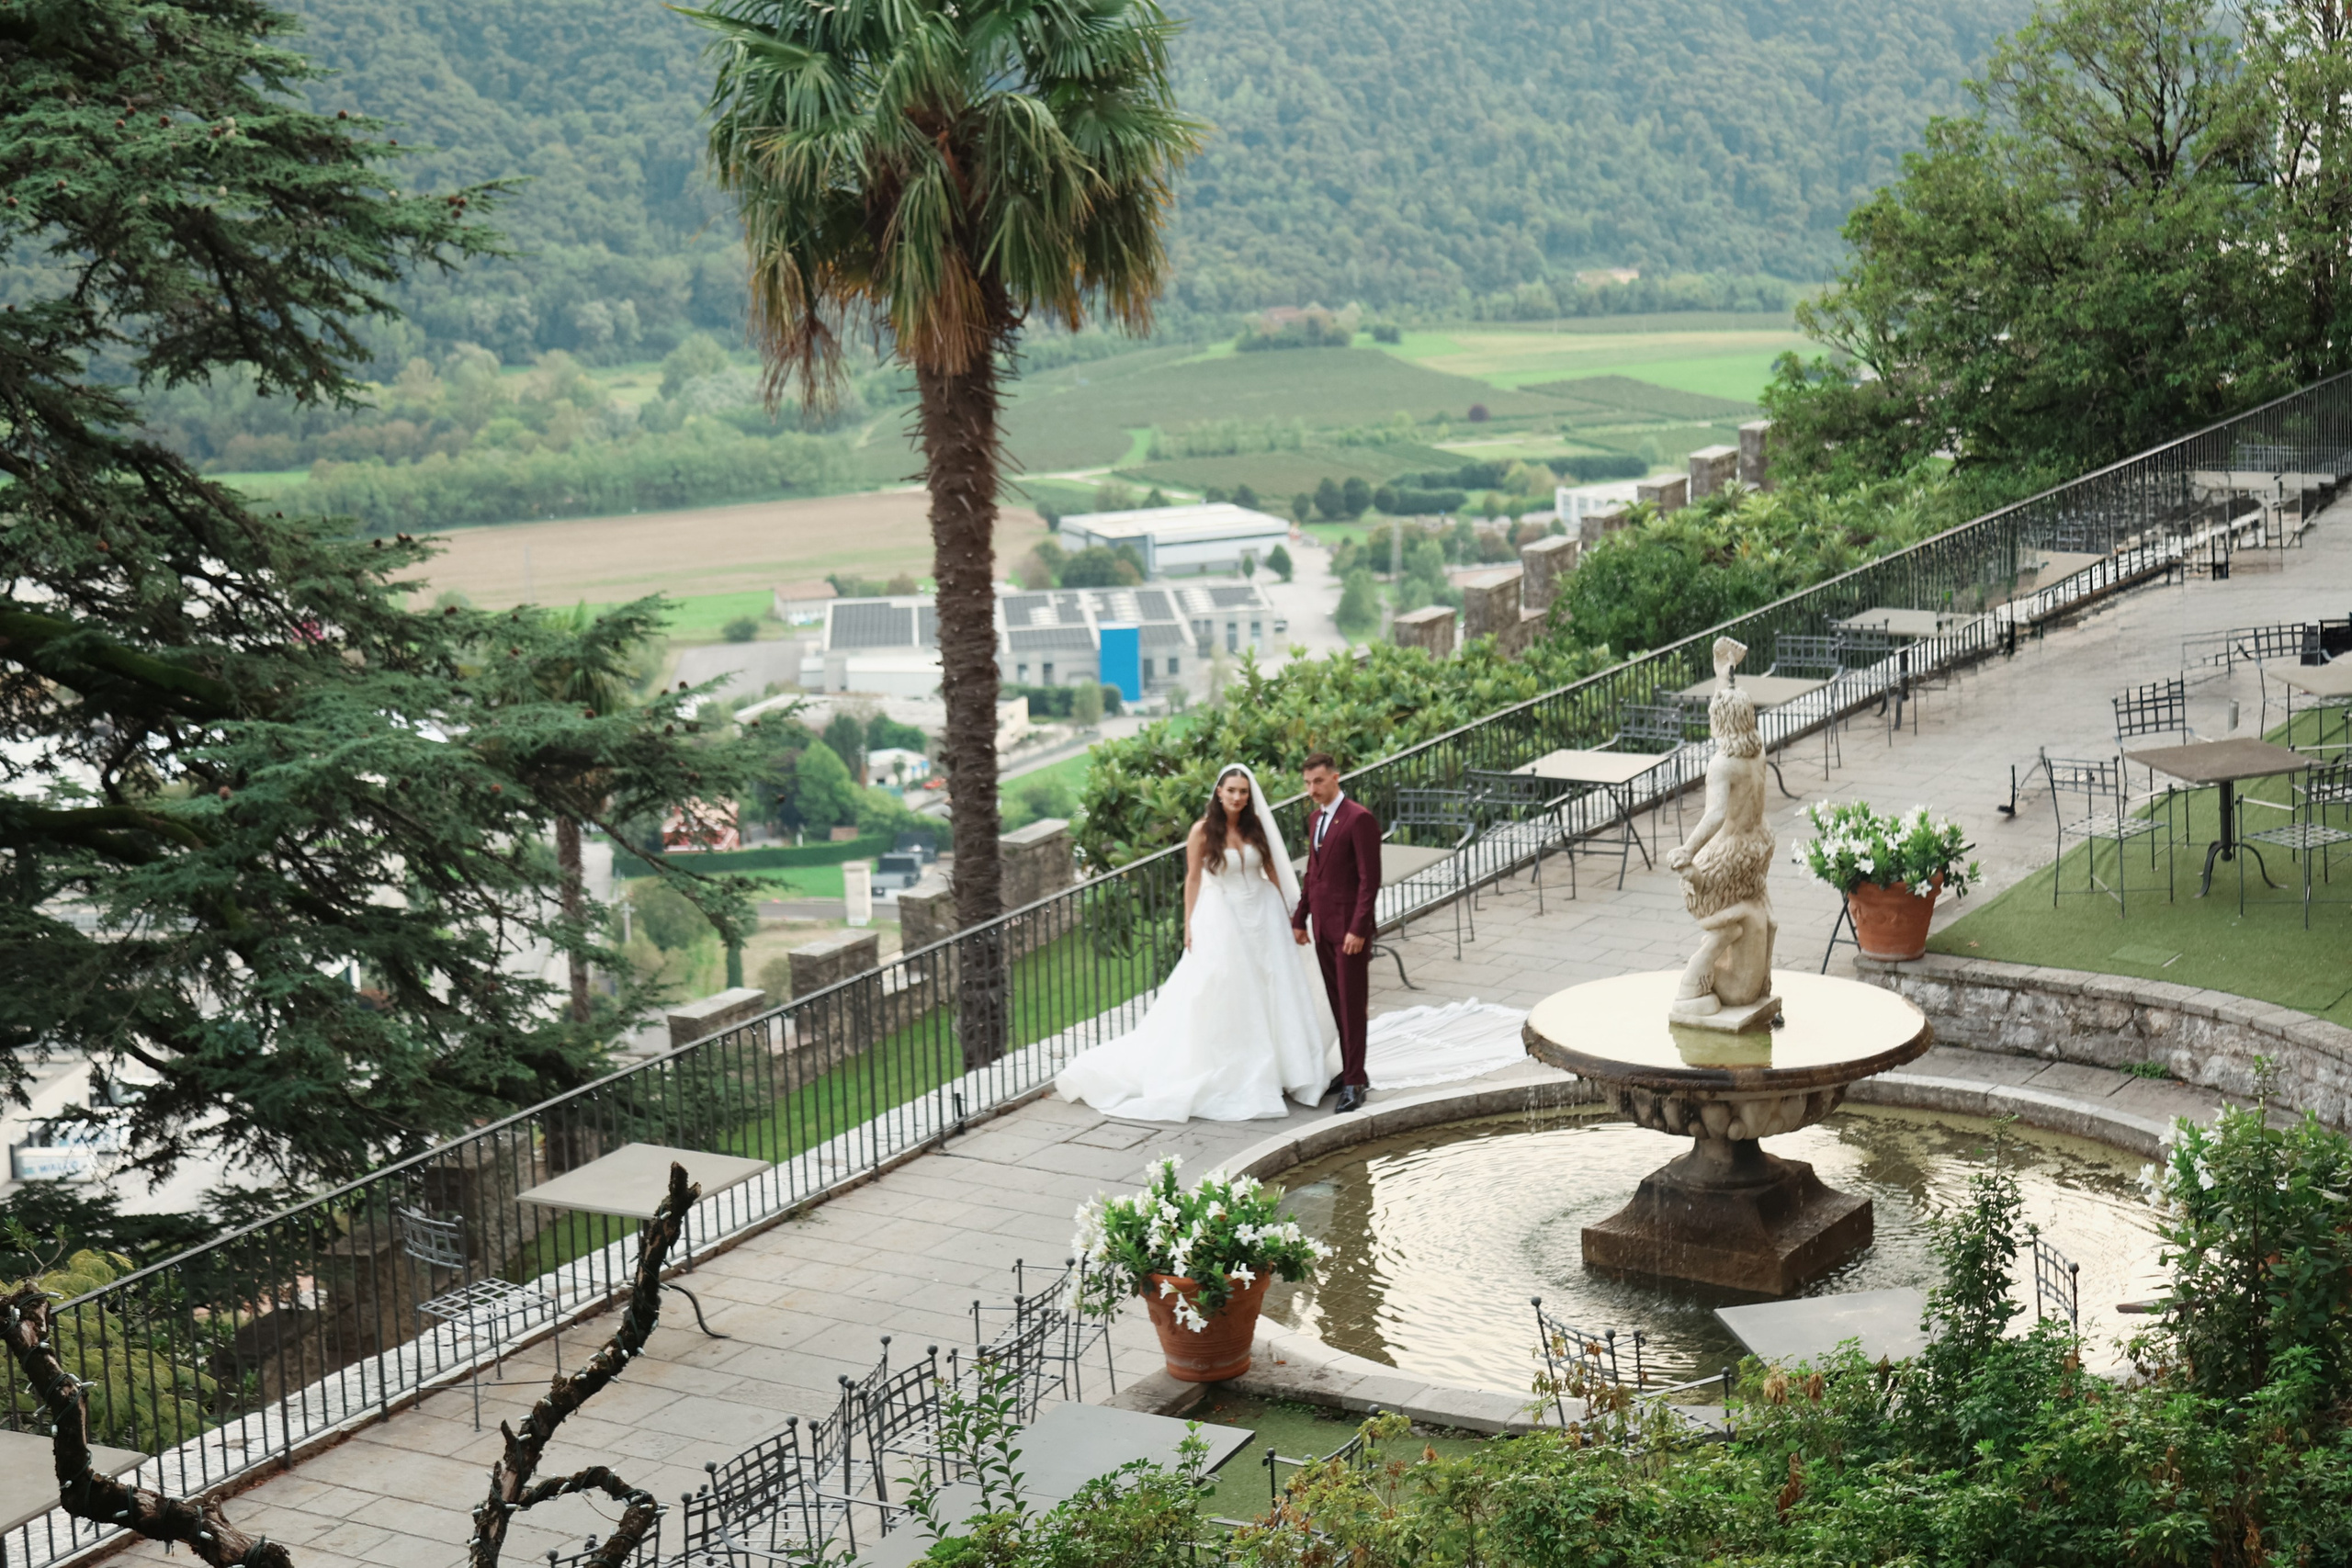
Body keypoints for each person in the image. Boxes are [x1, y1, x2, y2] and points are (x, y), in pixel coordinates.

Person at [1055, 764, 1333, 1121]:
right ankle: (1241, 1071)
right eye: (1231, 790)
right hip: (1224, 916)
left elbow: (1274, 870)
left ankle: (1288, 1068)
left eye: (1243, 792)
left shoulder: (1255, 827)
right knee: (1230, 991)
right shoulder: (1203, 831)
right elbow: (1193, 880)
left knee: (1276, 989)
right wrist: (1188, 925)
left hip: (1264, 915)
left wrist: (1291, 913)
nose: (1237, 797)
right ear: (1219, 792)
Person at [1293, 751, 1381, 1112]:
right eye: (1308, 783)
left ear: (1335, 778)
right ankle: (1351, 1070)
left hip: (1349, 931)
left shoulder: (1359, 819)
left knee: (1351, 1004)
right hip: (1323, 927)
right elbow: (1314, 873)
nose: (1312, 789)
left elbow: (1369, 879)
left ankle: (1356, 1081)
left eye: (1318, 781)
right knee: (1335, 1004)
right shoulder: (1315, 819)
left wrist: (1359, 927)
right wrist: (1300, 917)